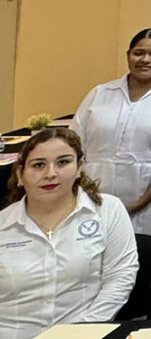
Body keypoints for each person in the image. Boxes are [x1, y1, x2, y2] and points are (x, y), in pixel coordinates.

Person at [0, 129, 137, 338]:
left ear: (79, 167)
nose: (51, 174)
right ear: (20, 174)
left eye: (63, 162)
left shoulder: (108, 210)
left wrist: (82, 332)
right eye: (38, 165)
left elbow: (119, 277)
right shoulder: (3, 224)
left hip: (85, 334)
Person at [72, 29, 151, 238]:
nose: (145, 59)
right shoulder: (100, 93)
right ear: (128, 55)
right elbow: (74, 144)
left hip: (146, 203)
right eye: (138, 53)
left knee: (142, 252)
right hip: (91, 195)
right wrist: (84, 192)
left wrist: (139, 204)